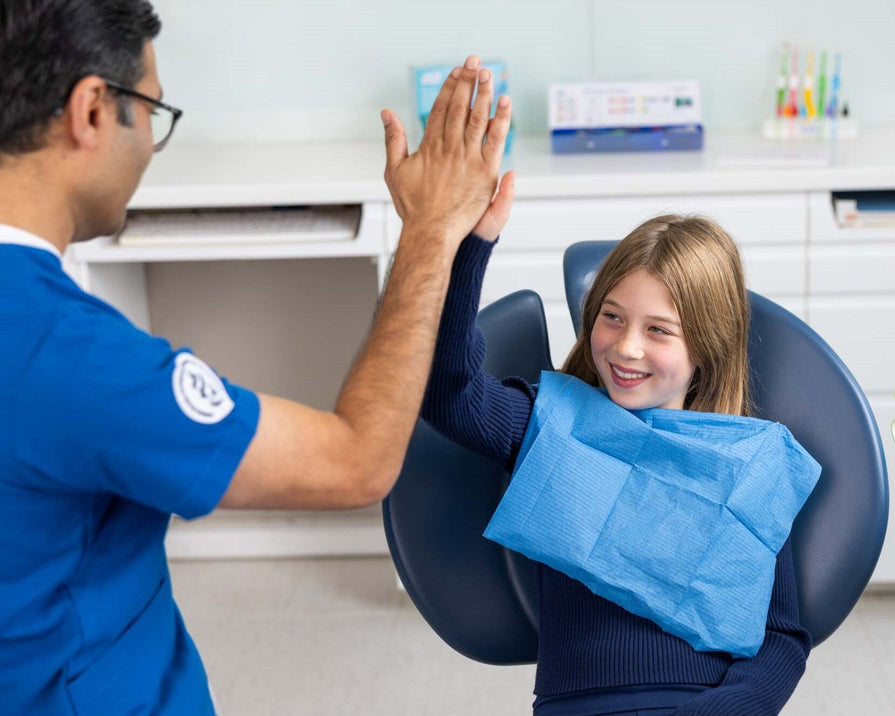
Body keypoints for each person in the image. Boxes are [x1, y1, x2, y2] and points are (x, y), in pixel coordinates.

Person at [0, 1, 513, 713]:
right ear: (91, 110)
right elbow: (355, 461)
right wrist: (431, 230)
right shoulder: (70, 359)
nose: (151, 140)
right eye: (151, 108)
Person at [414, 212, 813, 716]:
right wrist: (468, 243)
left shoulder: (751, 461)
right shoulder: (550, 424)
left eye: (659, 330)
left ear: (706, 345)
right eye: (613, 316)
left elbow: (781, 636)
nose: (627, 347)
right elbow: (446, 392)